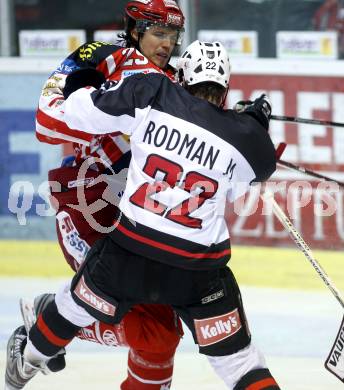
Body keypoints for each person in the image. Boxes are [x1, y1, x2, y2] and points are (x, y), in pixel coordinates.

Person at [5, 40, 280, 390]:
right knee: (240, 364)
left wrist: (80, 85)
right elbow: (248, 178)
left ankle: (25, 365)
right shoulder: (246, 135)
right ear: (225, 89)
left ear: (180, 76)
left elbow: (77, 113)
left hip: (129, 254)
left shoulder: (153, 90)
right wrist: (254, 122)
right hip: (197, 271)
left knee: (70, 308)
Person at [18, 1, 186, 389]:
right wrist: (114, 109)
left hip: (144, 217)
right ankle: (53, 317)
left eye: (172, 36)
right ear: (134, 29)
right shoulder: (104, 57)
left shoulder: (178, 81)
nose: (166, 44)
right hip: (89, 204)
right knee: (143, 327)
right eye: (158, 33)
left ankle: (51, 315)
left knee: (161, 336)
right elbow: (47, 121)